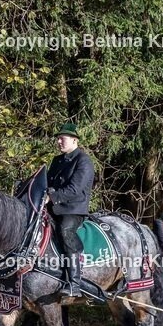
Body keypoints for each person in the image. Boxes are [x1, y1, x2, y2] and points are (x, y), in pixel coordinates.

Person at [46, 123, 95, 296]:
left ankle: (74, 284)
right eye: (58, 139)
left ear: (74, 140)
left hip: (73, 209)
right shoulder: (57, 160)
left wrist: (51, 197)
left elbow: (75, 189)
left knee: (65, 230)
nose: (59, 142)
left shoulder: (83, 161)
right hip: (54, 207)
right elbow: (48, 183)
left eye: (62, 138)